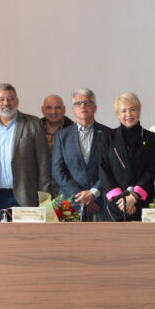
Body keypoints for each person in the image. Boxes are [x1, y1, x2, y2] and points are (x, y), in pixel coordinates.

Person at [0, 83, 51, 221]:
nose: (6, 103)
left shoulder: (34, 124)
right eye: (1, 99)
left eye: (10, 98)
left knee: (26, 234)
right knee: (1, 234)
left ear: (17, 101)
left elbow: (43, 163)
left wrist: (44, 199)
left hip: (27, 196)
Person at [51, 88, 111, 221]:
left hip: (100, 202)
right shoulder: (62, 136)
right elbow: (57, 170)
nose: (82, 106)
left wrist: (93, 193)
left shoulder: (109, 134)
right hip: (71, 203)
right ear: (73, 110)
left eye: (87, 102)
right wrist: (80, 196)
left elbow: (111, 168)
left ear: (95, 107)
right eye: (78, 103)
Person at [99, 92, 155, 221]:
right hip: (116, 204)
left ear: (139, 111)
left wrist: (133, 197)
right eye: (123, 111)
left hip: (142, 201)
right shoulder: (108, 137)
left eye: (133, 109)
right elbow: (103, 169)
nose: (129, 114)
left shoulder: (151, 138)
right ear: (118, 114)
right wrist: (122, 200)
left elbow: (150, 171)